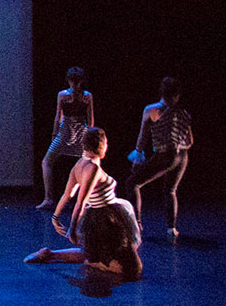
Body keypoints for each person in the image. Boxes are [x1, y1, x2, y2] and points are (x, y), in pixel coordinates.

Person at [26, 127, 141, 280]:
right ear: (100, 145)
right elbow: (80, 202)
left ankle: (51, 254)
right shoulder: (93, 168)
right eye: (106, 143)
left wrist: (55, 217)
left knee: (97, 251)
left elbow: (67, 195)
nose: (107, 146)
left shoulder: (79, 164)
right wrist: (73, 229)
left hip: (103, 215)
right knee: (132, 270)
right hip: (107, 218)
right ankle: (94, 263)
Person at [127, 77, 194, 238]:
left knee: (132, 183)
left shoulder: (152, 110)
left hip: (165, 154)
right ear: (177, 95)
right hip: (182, 156)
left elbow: (142, 136)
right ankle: (172, 228)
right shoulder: (183, 113)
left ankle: (136, 224)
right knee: (171, 190)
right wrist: (178, 148)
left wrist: (138, 157)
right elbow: (190, 141)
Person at [39, 67, 93, 209]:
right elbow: (89, 120)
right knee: (48, 162)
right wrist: (55, 133)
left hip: (74, 132)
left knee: (48, 162)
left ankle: (51, 198)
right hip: (72, 132)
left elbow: (60, 116)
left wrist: (54, 134)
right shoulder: (83, 96)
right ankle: (50, 198)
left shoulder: (67, 95)